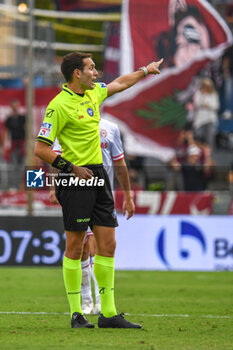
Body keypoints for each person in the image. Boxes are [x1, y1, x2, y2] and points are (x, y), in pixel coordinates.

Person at [34, 51, 163, 329]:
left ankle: (108, 313)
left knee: (108, 244)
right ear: (76, 74)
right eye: (91, 68)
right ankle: (76, 314)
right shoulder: (58, 106)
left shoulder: (94, 94)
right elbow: (40, 149)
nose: (96, 72)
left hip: (99, 178)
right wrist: (70, 169)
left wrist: (145, 69)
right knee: (75, 247)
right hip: (76, 180)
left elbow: (119, 83)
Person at [50, 118, 132, 316]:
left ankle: (101, 301)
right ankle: (86, 299)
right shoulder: (68, 125)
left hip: (102, 195)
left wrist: (128, 195)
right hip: (76, 191)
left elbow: (119, 163)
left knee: (101, 246)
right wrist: (53, 187)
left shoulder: (111, 128)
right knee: (83, 247)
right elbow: (55, 158)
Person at [192, 78, 219, 154]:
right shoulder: (198, 93)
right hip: (199, 119)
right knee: (197, 137)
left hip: (209, 119)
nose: (205, 88)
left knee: (209, 138)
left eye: (207, 86)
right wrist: (203, 97)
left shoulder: (214, 94)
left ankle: (209, 155)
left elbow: (216, 106)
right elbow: (197, 103)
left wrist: (208, 106)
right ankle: (198, 153)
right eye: (204, 86)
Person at [3, 99, 26, 164]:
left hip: (22, 141)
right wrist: (4, 145)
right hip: (13, 141)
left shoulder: (23, 117)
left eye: (16, 106)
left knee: (23, 158)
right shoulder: (9, 119)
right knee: (13, 158)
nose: (14, 108)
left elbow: (27, 129)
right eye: (13, 106)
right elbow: (6, 132)